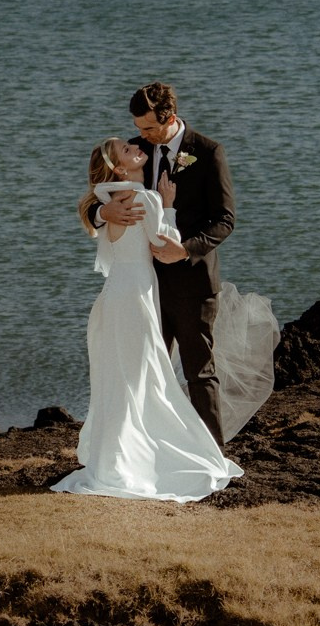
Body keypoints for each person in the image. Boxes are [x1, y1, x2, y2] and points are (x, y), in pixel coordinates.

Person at [50, 137, 243, 501]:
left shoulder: (112, 197)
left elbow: (100, 219)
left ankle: (116, 458)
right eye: (126, 149)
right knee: (148, 379)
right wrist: (167, 206)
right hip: (138, 296)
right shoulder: (143, 198)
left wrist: (102, 211)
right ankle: (160, 455)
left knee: (121, 380)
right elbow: (162, 242)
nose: (135, 143)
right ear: (120, 168)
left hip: (114, 297)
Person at [95, 82, 236, 446]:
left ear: (170, 118)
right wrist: (101, 211)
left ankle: (212, 453)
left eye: (149, 129)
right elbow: (98, 188)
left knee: (199, 373)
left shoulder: (207, 153)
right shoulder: (137, 150)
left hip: (192, 286)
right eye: (138, 129)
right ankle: (141, 453)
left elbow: (225, 220)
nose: (141, 137)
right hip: (144, 287)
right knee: (142, 371)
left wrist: (185, 249)